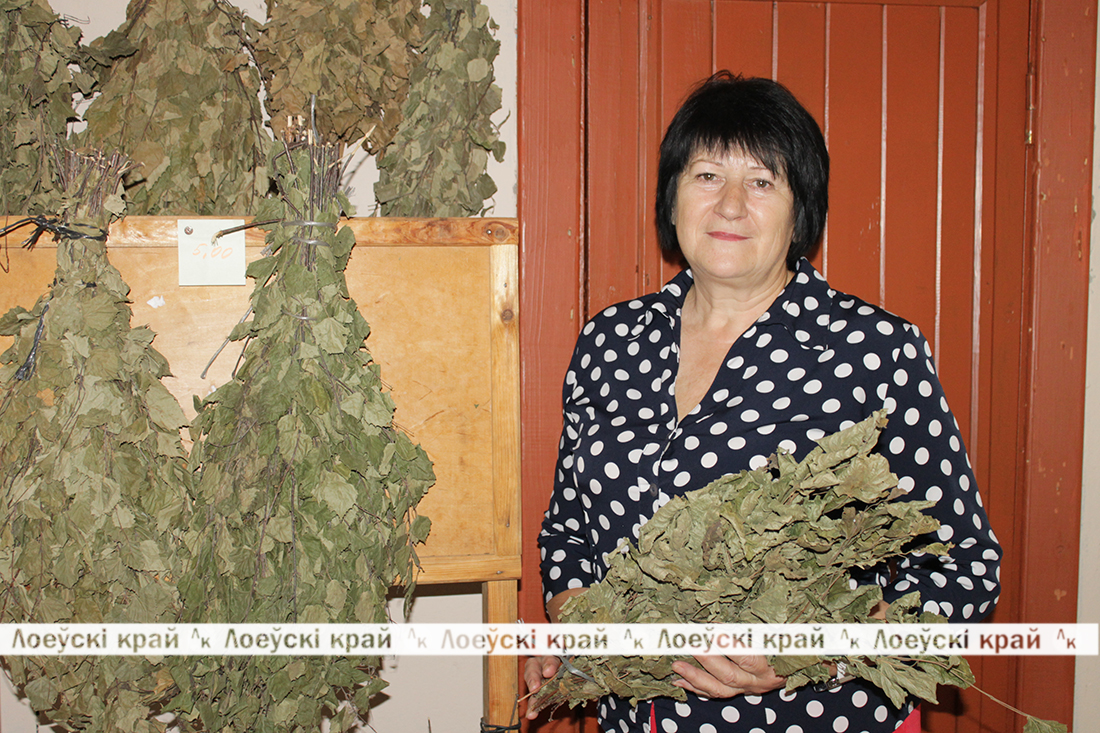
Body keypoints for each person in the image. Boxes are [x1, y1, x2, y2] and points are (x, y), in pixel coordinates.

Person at [524, 72, 1001, 733]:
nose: (730, 205)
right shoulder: (610, 342)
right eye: (707, 176)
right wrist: (579, 628)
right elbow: (569, 532)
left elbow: (964, 567)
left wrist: (816, 653)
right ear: (671, 198)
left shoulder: (874, 352)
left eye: (762, 181)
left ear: (801, 211)